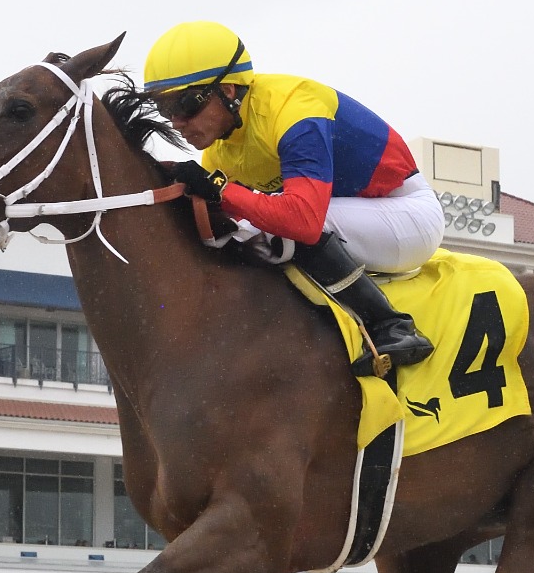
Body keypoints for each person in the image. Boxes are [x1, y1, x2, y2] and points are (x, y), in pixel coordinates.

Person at [144, 21, 442, 376]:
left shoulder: (293, 109)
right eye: (165, 109)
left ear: (228, 89)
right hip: (352, 215)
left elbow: (304, 219)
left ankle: (392, 326)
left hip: (409, 213)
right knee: (241, 235)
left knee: (288, 230)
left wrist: (221, 190)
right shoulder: (220, 150)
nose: (177, 122)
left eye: (185, 104)